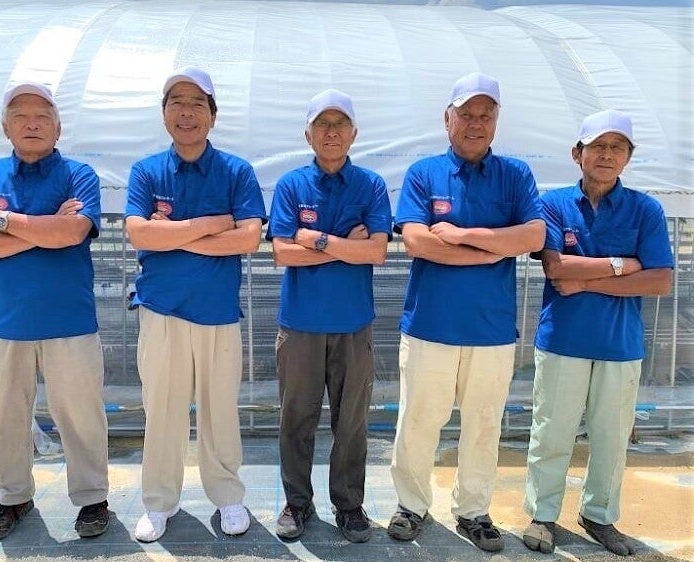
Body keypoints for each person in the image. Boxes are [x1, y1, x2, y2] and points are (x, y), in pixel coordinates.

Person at [387, 72, 545, 552]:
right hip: (430, 326)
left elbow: (533, 236)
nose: (476, 123)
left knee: (483, 425)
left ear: (496, 120)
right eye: (467, 114)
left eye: (486, 115)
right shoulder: (424, 173)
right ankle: (411, 505)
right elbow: (417, 241)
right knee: (418, 421)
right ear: (447, 119)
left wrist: (460, 235)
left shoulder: (515, 174)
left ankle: (473, 510)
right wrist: (493, 249)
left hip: (490, 330)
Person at [0, 81, 110, 542]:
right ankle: (13, 497)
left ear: (58, 127)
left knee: (81, 415)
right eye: (20, 116)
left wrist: (3, 224)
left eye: (42, 115)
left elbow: (73, 233)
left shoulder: (78, 174)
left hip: (70, 322)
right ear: (6, 128)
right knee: (3, 418)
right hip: (4, 324)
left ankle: (92, 499)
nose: (32, 123)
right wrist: (48, 228)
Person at [522, 110, 674, 556]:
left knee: (611, 437)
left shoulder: (645, 209)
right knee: (552, 431)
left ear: (628, 157)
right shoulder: (554, 204)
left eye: (618, 147)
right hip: (563, 339)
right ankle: (542, 514)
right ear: (578, 153)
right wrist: (624, 265)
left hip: (619, 344)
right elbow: (555, 267)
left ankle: (599, 515)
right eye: (598, 146)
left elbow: (659, 280)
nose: (608, 155)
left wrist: (587, 282)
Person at [124, 66, 266, 542]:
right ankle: (159, 502)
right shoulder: (147, 171)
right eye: (177, 102)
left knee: (219, 410)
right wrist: (210, 224)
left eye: (196, 103)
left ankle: (227, 497)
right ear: (164, 113)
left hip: (216, 313)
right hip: (161, 311)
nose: (186, 112)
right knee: (161, 411)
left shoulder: (236, 171)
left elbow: (248, 238)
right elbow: (140, 233)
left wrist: (172, 234)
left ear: (212, 115)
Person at [267, 89, 392, 543]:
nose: (332, 132)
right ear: (308, 134)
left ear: (354, 133)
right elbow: (282, 252)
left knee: (351, 423)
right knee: (296, 419)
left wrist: (316, 239)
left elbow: (376, 251)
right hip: (300, 325)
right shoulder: (291, 185)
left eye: (340, 124)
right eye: (323, 124)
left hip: (352, 325)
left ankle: (349, 504)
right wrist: (346, 246)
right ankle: (297, 502)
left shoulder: (371, 185)